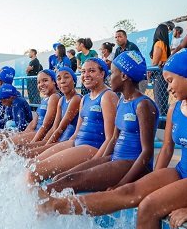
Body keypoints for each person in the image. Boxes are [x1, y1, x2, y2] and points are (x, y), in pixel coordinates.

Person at [39, 50, 187, 229]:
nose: (168, 87)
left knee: (148, 206)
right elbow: (167, 148)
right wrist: (154, 180)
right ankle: (56, 206)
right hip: (181, 171)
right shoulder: (175, 109)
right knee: (127, 192)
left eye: (171, 81)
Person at [41, 51, 157, 195]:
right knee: (60, 178)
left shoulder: (143, 105)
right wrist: (98, 164)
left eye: (112, 73)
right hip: (115, 158)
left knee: (62, 185)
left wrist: (121, 185)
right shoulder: (122, 101)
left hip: (130, 164)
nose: (110, 77)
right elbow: (114, 138)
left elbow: (147, 152)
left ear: (124, 76)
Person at [26, 58, 118, 182]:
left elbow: (110, 138)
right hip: (77, 142)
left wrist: (93, 162)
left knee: (34, 172)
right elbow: (75, 134)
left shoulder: (107, 96)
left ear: (102, 74)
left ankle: (38, 201)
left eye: (91, 71)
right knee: (31, 163)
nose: (86, 75)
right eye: (84, 71)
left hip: (92, 147)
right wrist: (64, 147)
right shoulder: (85, 99)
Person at [150, 23, 171, 115]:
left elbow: (155, 62)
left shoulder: (159, 43)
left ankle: (161, 122)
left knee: (159, 100)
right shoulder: (165, 44)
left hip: (159, 74)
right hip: (163, 73)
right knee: (163, 99)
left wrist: (151, 69)